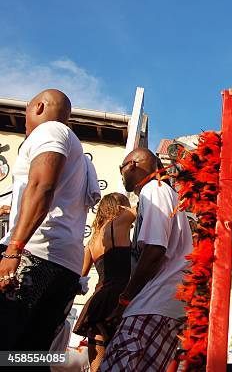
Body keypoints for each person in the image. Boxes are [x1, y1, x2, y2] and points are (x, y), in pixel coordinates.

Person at [0, 89, 100, 351]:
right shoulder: (81, 157)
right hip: (64, 267)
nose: (24, 119)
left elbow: (42, 186)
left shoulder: (50, 130)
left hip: (34, 256)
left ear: (40, 107)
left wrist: (13, 251)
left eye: (26, 111)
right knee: (32, 353)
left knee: (8, 345)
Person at [99, 148, 192, 372]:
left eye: (120, 169)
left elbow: (154, 249)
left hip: (151, 304)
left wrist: (126, 299)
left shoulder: (154, 190)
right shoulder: (164, 192)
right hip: (165, 305)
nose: (121, 176)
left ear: (132, 165)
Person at [73, 193, 135, 371]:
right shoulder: (118, 225)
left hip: (98, 299)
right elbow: (141, 209)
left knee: (97, 359)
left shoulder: (92, 241)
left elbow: (79, 278)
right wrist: (127, 209)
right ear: (119, 208)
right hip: (119, 295)